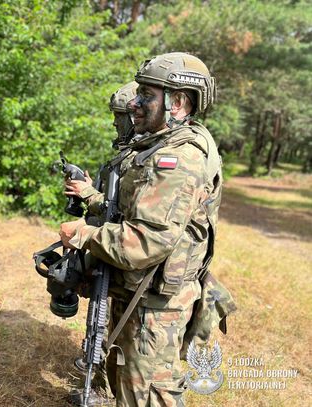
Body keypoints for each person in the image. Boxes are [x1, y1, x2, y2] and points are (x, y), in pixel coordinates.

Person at [59, 52, 223, 406]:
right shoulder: (160, 146)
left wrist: (83, 234)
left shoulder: (178, 159)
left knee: (145, 396)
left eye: (146, 95)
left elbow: (144, 242)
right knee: (124, 385)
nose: (134, 104)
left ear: (178, 103)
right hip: (140, 294)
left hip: (155, 306)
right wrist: (91, 197)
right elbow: (130, 211)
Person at [66, 81, 138, 407]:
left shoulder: (143, 161)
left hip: (132, 262)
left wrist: (88, 197)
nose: (114, 123)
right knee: (105, 325)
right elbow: (110, 208)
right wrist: (88, 192)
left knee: (129, 342)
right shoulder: (124, 159)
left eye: (119, 117)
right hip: (113, 253)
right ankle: (101, 387)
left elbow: (127, 217)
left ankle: (113, 391)